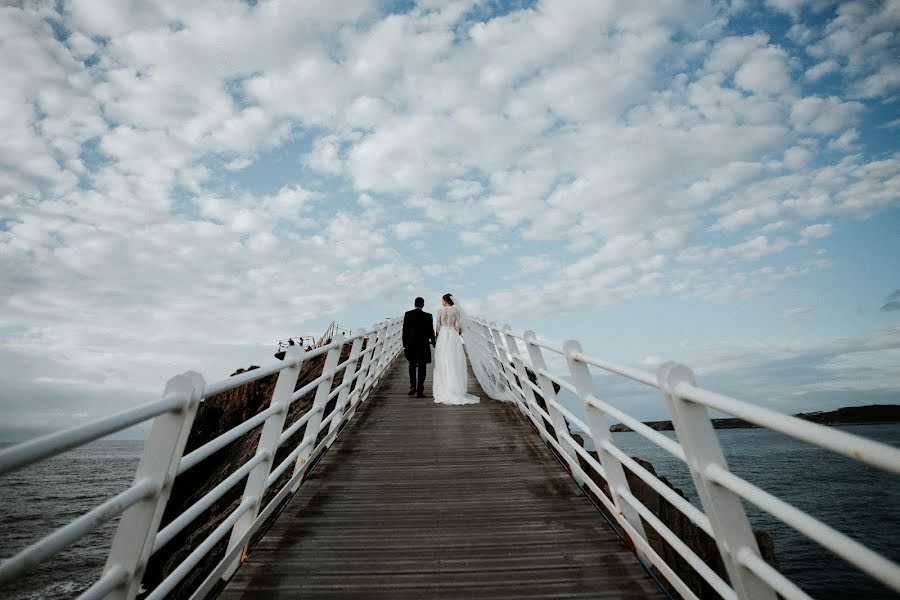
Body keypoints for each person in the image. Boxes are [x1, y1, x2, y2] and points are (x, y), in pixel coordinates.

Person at [432, 293, 480, 405]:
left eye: (442, 300)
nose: (441, 302)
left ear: (445, 300)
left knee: (443, 360)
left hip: (443, 334)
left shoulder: (440, 311)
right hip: (453, 335)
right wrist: (454, 332)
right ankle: (455, 389)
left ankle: (444, 388)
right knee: (454, 360)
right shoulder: (457, 311)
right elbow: (458, 326)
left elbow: (438, 326)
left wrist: (439, 334)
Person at [402, 297, 436, 398]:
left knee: (412, 365)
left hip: (411, 344)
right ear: (423, 305)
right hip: (423, 345)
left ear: (414, 304)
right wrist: (434, 343)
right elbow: (431, 331)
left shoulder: (408, 314)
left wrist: (404, 345)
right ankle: (420, 390)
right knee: (422, 367)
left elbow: (405, 331)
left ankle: (413, 386)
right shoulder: (428, 316)